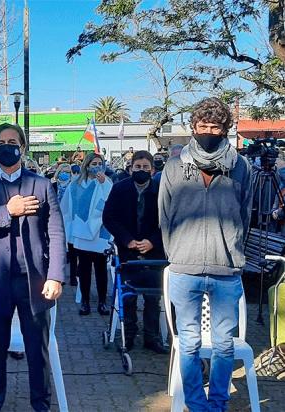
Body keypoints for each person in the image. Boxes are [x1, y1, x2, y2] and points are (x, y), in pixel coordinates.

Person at [0, 123, 66, 412]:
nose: (7, 146)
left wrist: (56, 275)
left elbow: (56, 233)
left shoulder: (42, 185)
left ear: (22, 146)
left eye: (13, 141)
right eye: (1, 142)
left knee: (37, 348)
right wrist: (7, 211)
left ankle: (41, 403)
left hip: (34, 280)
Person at [159, 98, 252, 412]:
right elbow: (164, 216)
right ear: (193, 128)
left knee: (224, 345)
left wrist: (235, 247)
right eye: (203, 127)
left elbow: (246, 213)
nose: (209, 132)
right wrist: (176, 253)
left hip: (227, 269)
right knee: (189, 343)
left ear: (225, 129)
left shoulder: (240, 166)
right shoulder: (174, 167)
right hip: (185, 269)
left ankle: (218, 404)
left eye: (215, 127)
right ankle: (197, 405)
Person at [102, 150, 167, 354]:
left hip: (154, 252)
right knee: (128, 296)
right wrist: (127, 240)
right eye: (137, 167)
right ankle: (128, 334)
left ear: (152, 169)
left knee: (153, 297)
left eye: (145, 167)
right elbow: (109, 217)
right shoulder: (119, 189)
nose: (141, 171)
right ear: (130, 169)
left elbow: (168, 221)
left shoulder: (161, 190)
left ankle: (152, 337)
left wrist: (152, 242)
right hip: (127, 251)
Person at [60, 153, 113, 316]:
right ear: (87, 165)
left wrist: (104, 184)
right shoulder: (75, 184)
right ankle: (85, 301)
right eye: (93, 163)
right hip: (81, 232)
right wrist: (67, 231)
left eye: (100, 163)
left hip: (100, 232)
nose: (97, 166)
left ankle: (103, 301)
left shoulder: (106, 182)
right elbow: (67, 209)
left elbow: (110, 202)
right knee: (84, 270)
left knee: (101, 270)